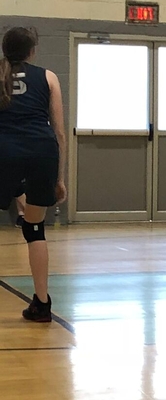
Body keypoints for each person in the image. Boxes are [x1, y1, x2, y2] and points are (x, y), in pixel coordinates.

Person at [0, 27, 67, 322]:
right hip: (43, 152)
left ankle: (18, 194)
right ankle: (41, 304)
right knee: (35, 229)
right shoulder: (49, 77)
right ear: (32, 50)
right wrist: (60, 178)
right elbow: (60, 132)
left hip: (5, 151)